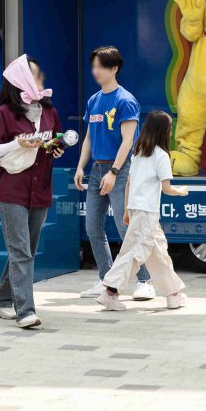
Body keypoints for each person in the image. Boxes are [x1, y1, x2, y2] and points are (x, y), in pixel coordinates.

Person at [0, 56, 62, 329]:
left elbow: (55, 141)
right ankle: (25, 311)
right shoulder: (5, 113)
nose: (40, 79)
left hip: (41, 188)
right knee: (21, 251)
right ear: (21, 80)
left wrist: (55, 147)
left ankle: (3, 297)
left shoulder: (49, 111)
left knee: (26, 250)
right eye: (35, 74)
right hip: (13, 189)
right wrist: (18, 143)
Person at [74, 46, 154, 300]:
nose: (95, 71)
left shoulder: (125, 100)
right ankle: (106, 279)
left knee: (125, 227)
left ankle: (145, 281)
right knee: (93, 228)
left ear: (114, 68)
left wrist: (114, 171)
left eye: (101, 66)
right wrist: (80, 166)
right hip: (97, 169)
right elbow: (89, 137)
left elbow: (128, 140)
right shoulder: (93, 101)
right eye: (94, 66)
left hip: (120, 170)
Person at [95, 110, 189, 311]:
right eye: (170, 129)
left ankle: (173, 294)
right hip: (147, 213)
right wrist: (181, 191)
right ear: (164, 131)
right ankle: (110, 293)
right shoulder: (161, 156)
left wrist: (127, 211)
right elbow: (166, 188)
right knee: (134, 253)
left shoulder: (137, 153)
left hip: (138, 210)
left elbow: (129, 183)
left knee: (158, 253)